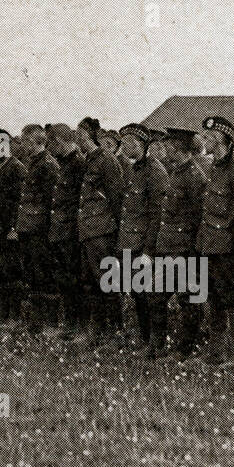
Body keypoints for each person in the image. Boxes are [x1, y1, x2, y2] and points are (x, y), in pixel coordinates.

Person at [194, 116, 234, 367]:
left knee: (232, 298)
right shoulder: (213, 168)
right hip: (208, 245)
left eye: (209, 138)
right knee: (213, 297)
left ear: (222, 141)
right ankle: (216, 353)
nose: (204, 142)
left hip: (228, 248)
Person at [149, 126, 206, 361]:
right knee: (155, 294)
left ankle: (184, 349)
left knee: (189, 300)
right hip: (169, 248)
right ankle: (158, 345)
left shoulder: (195, 177)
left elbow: (197, 217)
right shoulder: (175, 172)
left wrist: (193, 253)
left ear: (177, 147)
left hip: (185, 250)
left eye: (168, 145)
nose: (165, 148)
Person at [75, 118, 126, 346]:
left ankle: (115, 331)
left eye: (80, 134)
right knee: (90, 281)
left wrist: (116, 232)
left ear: (88, 135)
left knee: (107, 280)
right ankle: (97, 329)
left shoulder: (107, 161)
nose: (78, 139)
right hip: (88, 230)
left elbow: (116, 198)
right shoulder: (89, 160)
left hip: (103, 231)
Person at [117, 123, 167, 349]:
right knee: (137, 294)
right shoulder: (133, 169)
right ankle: (144, 338)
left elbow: (157, 215)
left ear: (142, 145)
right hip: (129, 242)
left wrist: (149, 251)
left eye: (130, 142)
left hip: (142, 246)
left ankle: (153, 342)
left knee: (148, 295)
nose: (125, 146)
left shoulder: (154, 171)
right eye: (124, 141)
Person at [14, 124, 59, 334]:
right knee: (32, 274)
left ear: (34, 141)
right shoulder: (33, 163)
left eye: (25, 141)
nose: (22, 145)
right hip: (28, 228)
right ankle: (35, 322)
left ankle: (47, 323)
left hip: (40, 230)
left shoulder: (48, 166)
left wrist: (48, 232)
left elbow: (52, 203)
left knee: (44, 276)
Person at [46, 123, 88, 339]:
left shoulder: (78, 164)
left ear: (58, 141)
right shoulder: (63, 164)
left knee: (75, 279)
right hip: (59, 231)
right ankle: (71, 323)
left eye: (50, 143)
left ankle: (79, 325)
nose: (49, 148)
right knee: (64, 279)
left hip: (71, 231)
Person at [0, 128, 26, 328]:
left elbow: (20, 201)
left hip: (9, 229)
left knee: (12, 272)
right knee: (1, 272)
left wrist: (14, 227)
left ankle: (14, 316)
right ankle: (3, 314)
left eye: (2, 143)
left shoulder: (16, 168)